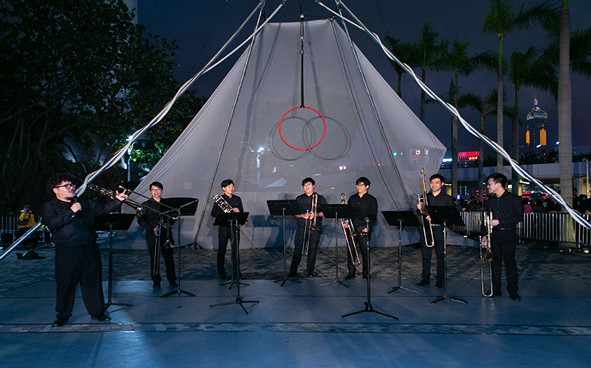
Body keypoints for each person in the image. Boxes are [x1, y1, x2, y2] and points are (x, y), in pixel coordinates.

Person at [41, 173, 127, 326]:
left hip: (89, 249)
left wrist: (117, 201)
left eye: (72, 184)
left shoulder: (84, 203)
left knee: (92, 282)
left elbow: (102, 209)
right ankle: (63, 314)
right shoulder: (50, 207)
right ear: (55, 190)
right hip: (67, 251)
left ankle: (97, 312)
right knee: (66, 284)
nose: (71, 187)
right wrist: (71, 212)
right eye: (66, 186)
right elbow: (52, 223)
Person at [483, 173, 523, 301]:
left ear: (498, 184)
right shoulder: (490, 201)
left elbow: (518, 217)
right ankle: (496, 289)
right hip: (494, 235)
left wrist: (499, 222)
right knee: (495, 263)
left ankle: (513, 290)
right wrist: (485, 236)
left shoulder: (514, 199)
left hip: (508, 234)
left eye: (490, 184)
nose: (488, 186)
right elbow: (486, 220)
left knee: (510, 264)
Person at [416, 173, 454, 288]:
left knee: (440, 256)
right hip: (426, 229)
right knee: (425, 256)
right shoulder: (425, 197)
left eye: (436, 183)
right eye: (432, 182)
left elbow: (450, 215)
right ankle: (425, 278)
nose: (433, 185)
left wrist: (434, 216)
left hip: (439, 228)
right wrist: (419, 209)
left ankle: (440, 279)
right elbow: (420, 214)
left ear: (442, 184)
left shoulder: (447, 199)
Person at [137, 181, 177, 288]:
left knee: (169, 258)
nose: (156, 191)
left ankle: (172, 280)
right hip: (152, 235)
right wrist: (152, 228)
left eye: (158, 189)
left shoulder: (167, 204)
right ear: (150, 191)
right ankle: (156, 281)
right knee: (154, 259)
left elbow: (172, 218)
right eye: (153, 189)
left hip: (166, 234)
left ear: (161, 190)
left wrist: (168, 223)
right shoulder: (146, 205)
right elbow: (140, 220)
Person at [288, 178, 327, 278]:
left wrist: (316, 214)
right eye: (304, 185)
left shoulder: (320, 198)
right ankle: (293, 271)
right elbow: (295, 213)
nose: (306, 187)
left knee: (312, 250)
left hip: (315, 228)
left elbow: (325, 212)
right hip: (302, 227)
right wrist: (302, 215)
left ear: (313, 186)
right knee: (298, 249)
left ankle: (310, 271)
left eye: (309, 185)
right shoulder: (299, 198)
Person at [345, 177, 378, 280]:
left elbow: (373, 215)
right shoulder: (352, 198)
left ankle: (366, 273)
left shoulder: (371, 200)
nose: (359, 187)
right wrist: (346, 221)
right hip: (352, 228)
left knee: (365, 252)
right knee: (351, 251)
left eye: (361, 185)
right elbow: (347, 212)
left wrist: (368, 227)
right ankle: (351, 272)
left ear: (367, 186)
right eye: (358, 185)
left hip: (363, 228)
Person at [211, 179, 243, 280]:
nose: (231, 188)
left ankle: (236, 272)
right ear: (223, 188)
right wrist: (224, 213)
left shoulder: (237, 199)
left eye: (232, 186)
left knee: (235, 250)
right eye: (229, 186)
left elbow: (242, 212)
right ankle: (221, 272)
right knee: (222, 250)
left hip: (234, 227)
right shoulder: (220, 199)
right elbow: (213, 213)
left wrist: (238, 212)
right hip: (224, 227)